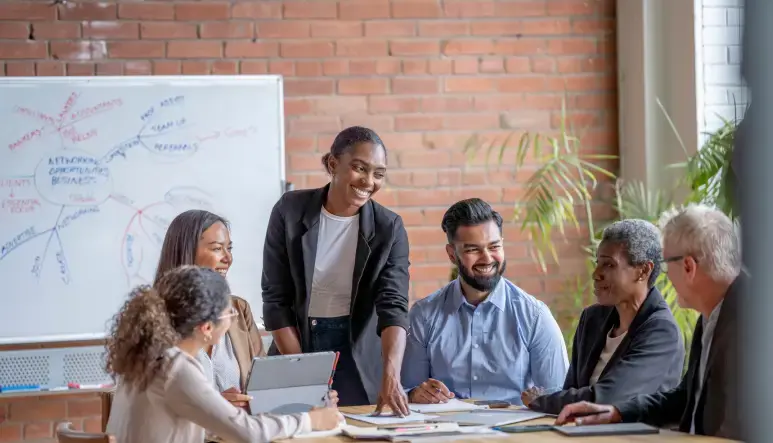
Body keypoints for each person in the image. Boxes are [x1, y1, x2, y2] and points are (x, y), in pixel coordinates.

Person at [555, 204, 743, 440]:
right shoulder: (710, 317)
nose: (662, 276)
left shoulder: (752, 322)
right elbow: (685, 398)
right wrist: (617, 412)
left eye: (665, 264)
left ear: (688, 266)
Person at [262, 126, 410, 414]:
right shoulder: (289, 211)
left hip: (356, 353)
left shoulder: (388, 228)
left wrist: (391, 375)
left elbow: (394, 306)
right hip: (296, 342)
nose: (368, 181)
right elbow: (275, 298)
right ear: (333, 164)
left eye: (378, 173)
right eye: (359, 168)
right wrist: (303, 372)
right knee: (294, 430)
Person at [105, 266, 342, 443]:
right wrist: (310, 420)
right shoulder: (175, 368)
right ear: (207, 328)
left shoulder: (147, 357)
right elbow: (248, 433)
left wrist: (219, 406)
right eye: (229, 313)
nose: (234, 318)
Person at [401, 198, 569, 405]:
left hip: (512, 433)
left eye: (494, 247)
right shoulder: (424, 315)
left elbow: (558, 397)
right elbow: (408, 390)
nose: (487, 258)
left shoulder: (535, 316)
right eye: (473, 250)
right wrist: (416, 394)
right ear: (452, 254)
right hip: (447, 432)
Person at [523, 219, 684, 414]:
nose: (596, 274)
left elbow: (609, 397)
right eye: (598, 263)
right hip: (579, 431)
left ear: (643, 271)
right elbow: (571, 390)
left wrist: (542, 400)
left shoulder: (661, 331)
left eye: (609, 265)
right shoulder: (592, 318)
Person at [154, 209, 264, 410]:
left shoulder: (238, 309)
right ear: (187, 253)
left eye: (229, 248)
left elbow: (265, 386)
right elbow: (155, 402)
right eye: (217, 249)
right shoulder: (153, 317)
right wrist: (214, 404)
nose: (228, 258)